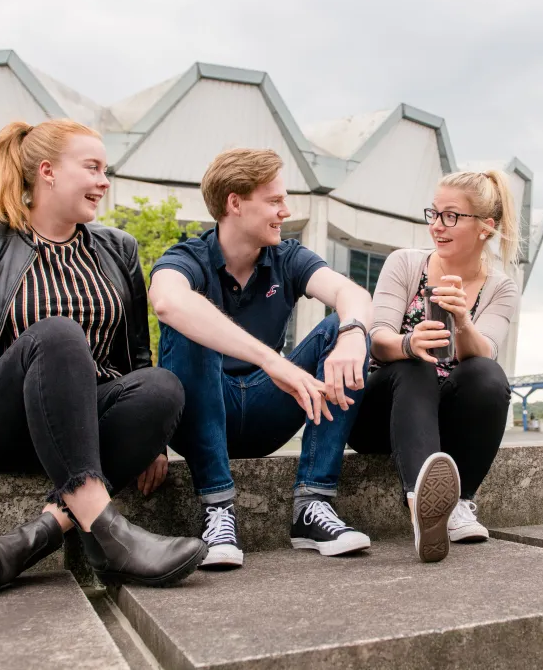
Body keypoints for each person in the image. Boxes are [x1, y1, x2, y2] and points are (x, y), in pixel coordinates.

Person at [0, 119, 206, 594]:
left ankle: (39, 534)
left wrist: (153, 443)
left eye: (105, 170)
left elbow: (135, 351)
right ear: (47, 172)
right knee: (58, 333)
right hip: (1, 422)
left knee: (163, 386)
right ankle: (111, 537)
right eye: (92, 168)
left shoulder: (118, 248)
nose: (104, 181)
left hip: (84, 426)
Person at [150, 148, 375, 569]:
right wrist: (273, 361)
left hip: (265, 410)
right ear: (235, 203)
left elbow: (352, 293)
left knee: (343, 327)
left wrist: (352, 334)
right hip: (199, 416)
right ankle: (218, 510)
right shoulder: (186, 257)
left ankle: (312, 505)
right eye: (274, 201)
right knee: (189, 319)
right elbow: (166, 301)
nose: (284, 211)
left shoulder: (288, 257)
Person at [347, 170, 518, 563]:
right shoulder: (405, 263)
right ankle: (419, 503)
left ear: (485, 227)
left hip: (441, 419)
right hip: (382, 412)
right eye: (434, 213)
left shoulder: (501, 288)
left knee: (487, 375)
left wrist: (463, 322)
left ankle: (456, 504)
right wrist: (409, 343)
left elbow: (486, 352)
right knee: (416, 364)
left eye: (451, 216)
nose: (437, 226)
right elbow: (378, 337)